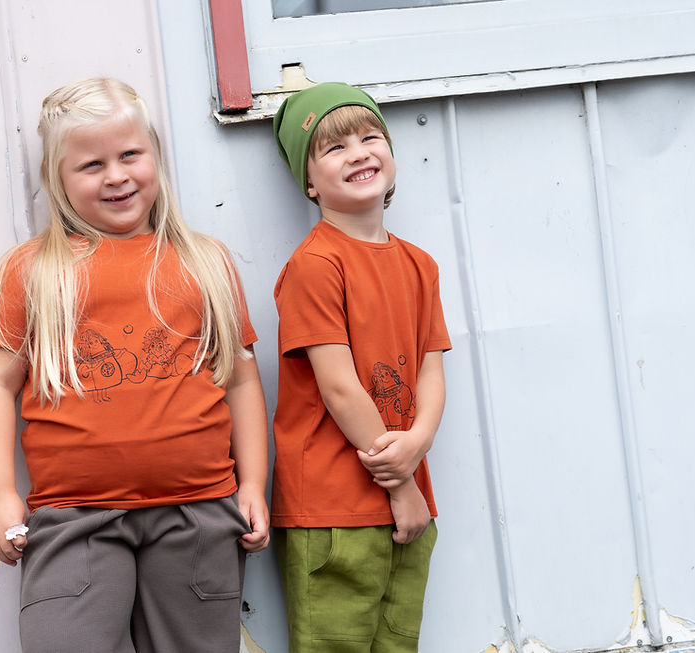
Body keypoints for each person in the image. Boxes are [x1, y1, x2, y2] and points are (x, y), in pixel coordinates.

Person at [0, 77, 269, 653]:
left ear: (154, 154)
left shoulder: (204, 263)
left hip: (199, 514)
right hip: (73, 520)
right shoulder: (32, 271)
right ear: (57, 179)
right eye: (91, 164)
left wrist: (253, 482)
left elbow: (241, 380)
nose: (116, 176)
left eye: (130, 154)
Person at [270, 82, 451, 652]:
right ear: (308, 179)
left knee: (398, 644)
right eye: (334, 148)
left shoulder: (420, 265)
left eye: (372, 137)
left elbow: (429, 372)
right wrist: (400, 481)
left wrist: (417, 445)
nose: (359, 153)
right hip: (331, 511)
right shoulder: (316, 266)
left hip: (408, 500)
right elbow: (340, 388)